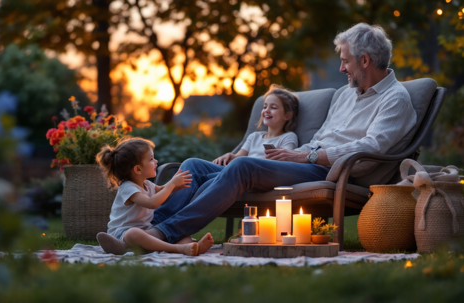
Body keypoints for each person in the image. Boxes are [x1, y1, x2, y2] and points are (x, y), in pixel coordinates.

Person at [148, 22, 418, 244]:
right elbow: (319, 137)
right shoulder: (346, 94)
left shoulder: (394, 99)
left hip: (331, 170)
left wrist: (306, 158)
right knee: (194, 166)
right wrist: (290, 155)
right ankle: (148, 228)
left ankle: (164, 234)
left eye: (345, 61)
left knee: (243, 167)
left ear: (366, 60)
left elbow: (371, 150)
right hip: (306, 160)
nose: (341, 69)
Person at [95, 138, 214, 255]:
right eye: (151, 159)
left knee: (183, 237)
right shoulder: (128, 188)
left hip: (147, 230)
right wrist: (171, 184)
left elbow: (161, 191)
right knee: (134, 234)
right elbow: (152, 202)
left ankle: (192, 247)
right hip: (123, 234)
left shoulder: (146, 183)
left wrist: (175, 186)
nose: (156, 161)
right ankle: (177, 249)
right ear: (138, 169)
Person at [213, 84, 299, 165]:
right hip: (236, 169)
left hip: (251, 174)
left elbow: (283, 162)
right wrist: (230, 156)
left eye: (273, 107)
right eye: (265, 107)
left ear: (287, 115)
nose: (266, 110)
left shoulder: (288, 137)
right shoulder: (254, 137)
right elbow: (237, 158)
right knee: (199, 164)